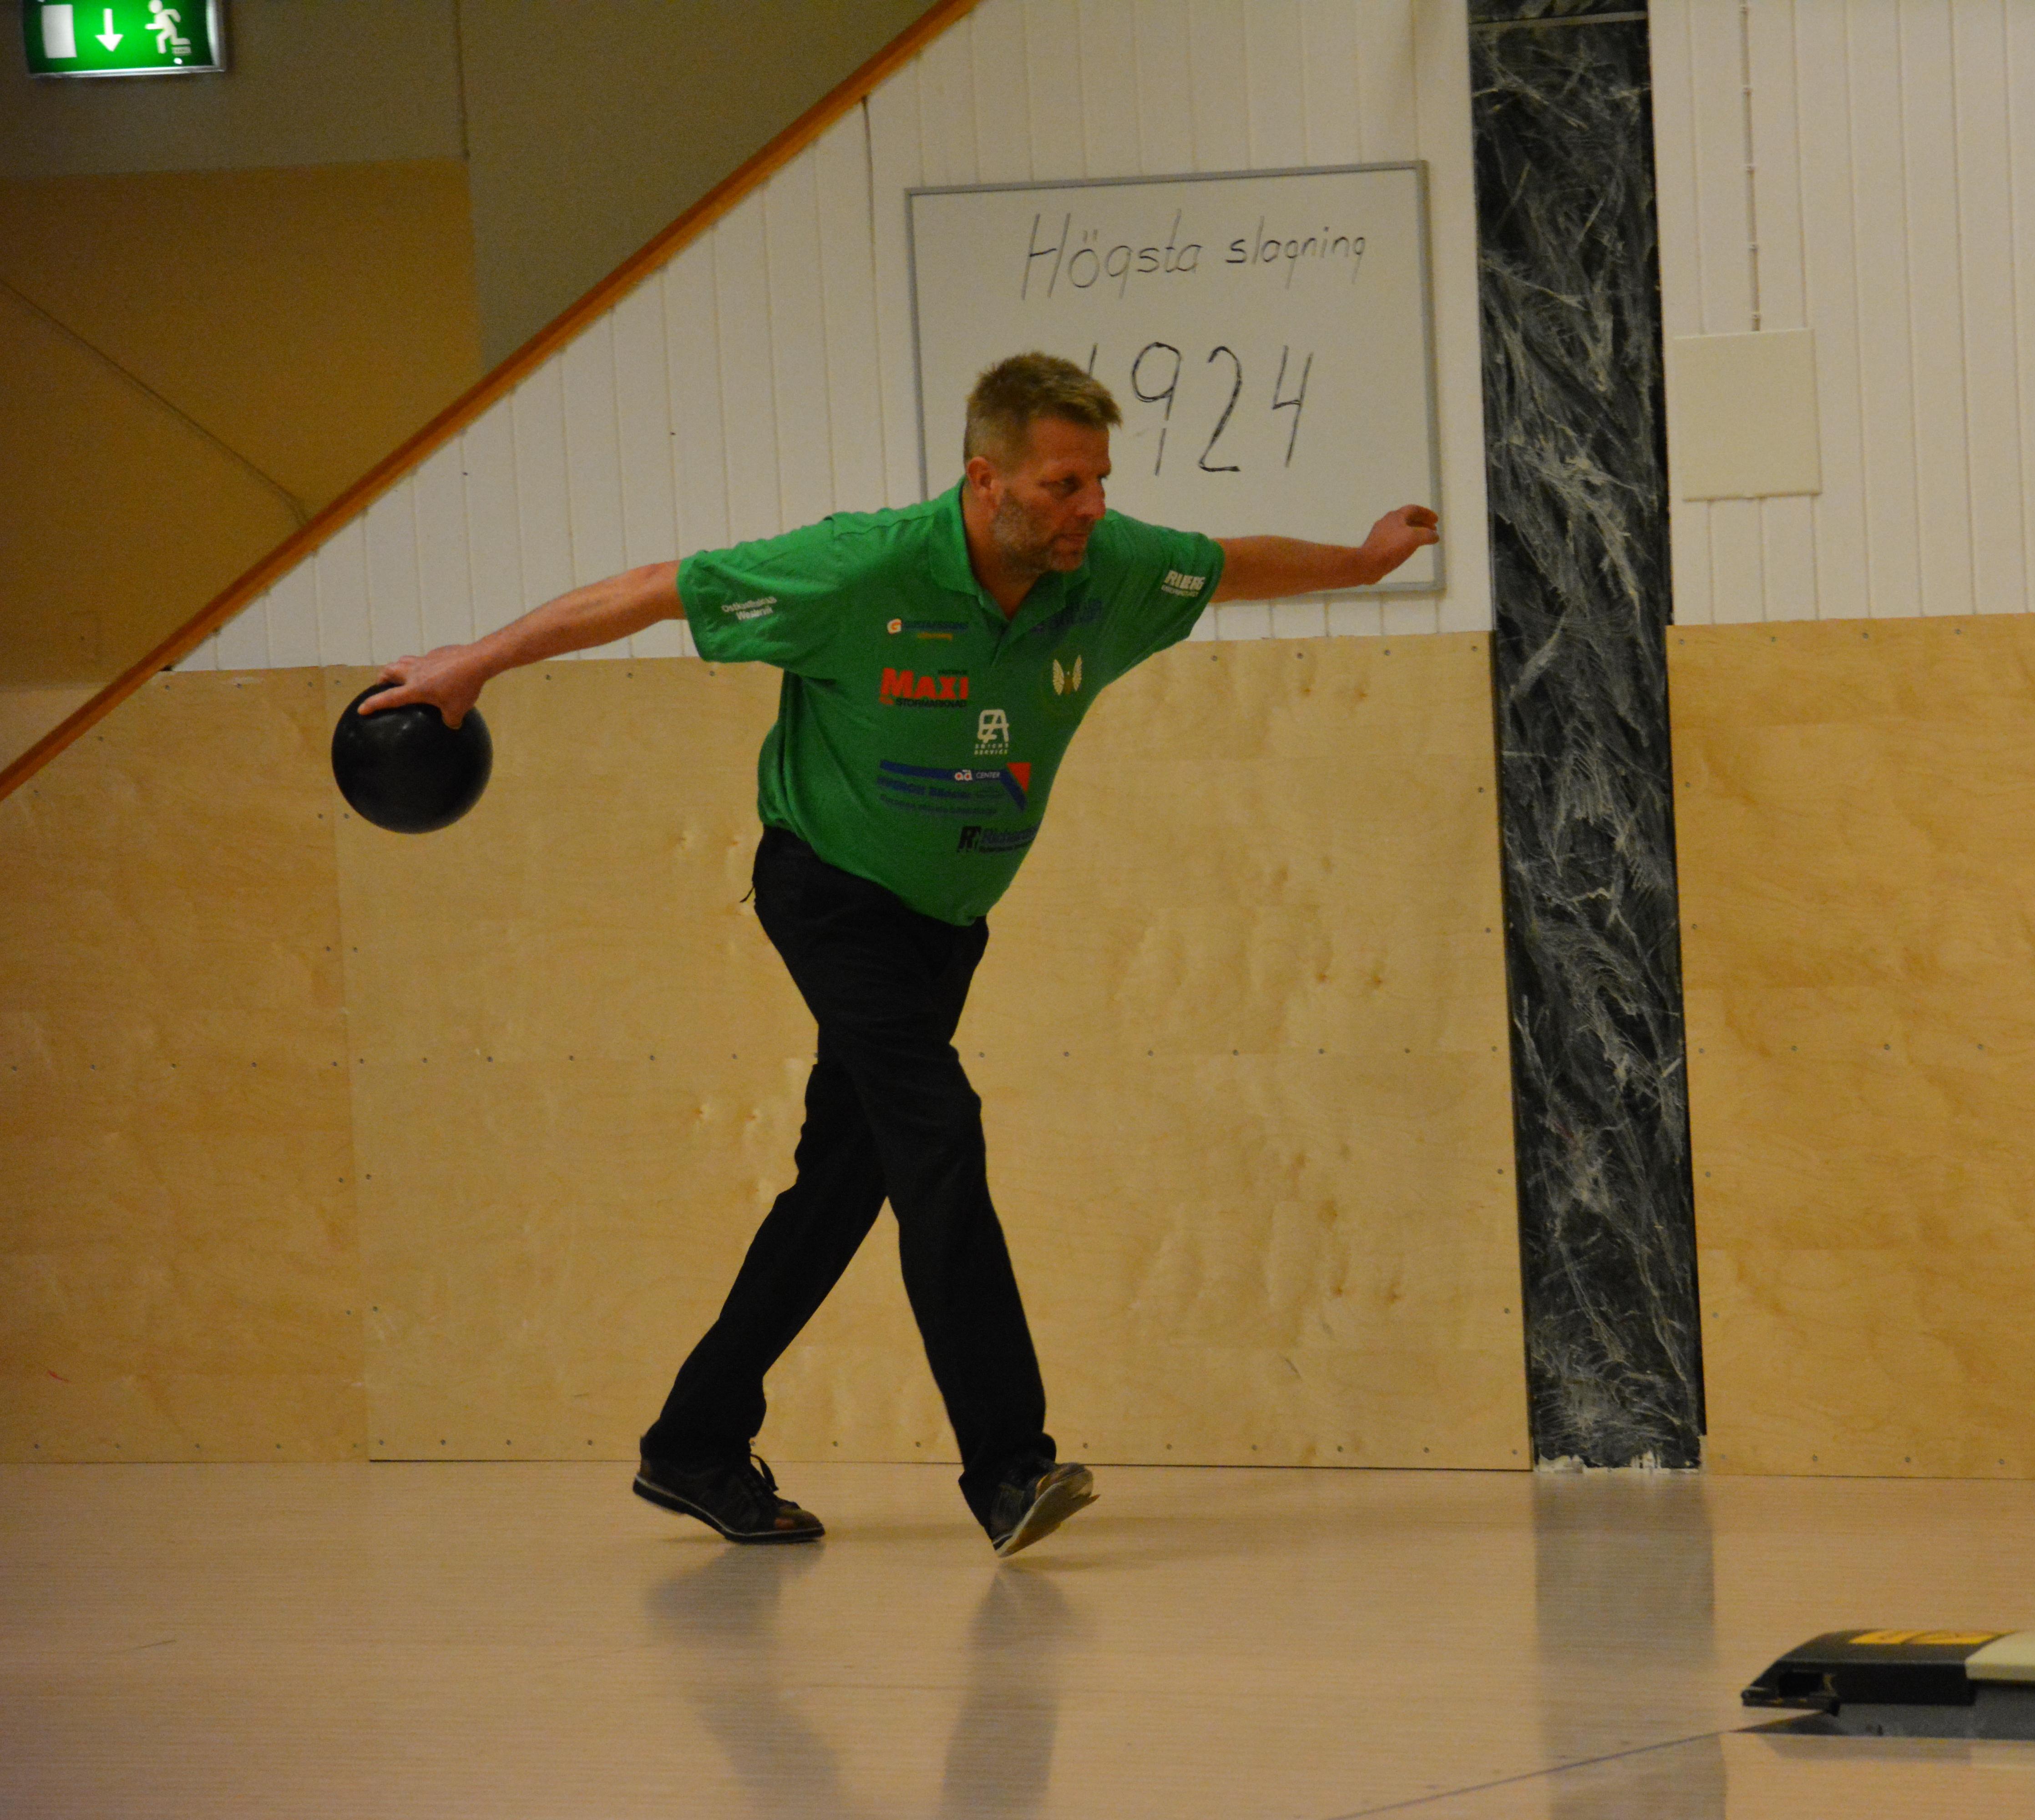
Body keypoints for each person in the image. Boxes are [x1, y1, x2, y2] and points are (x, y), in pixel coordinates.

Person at [362, 353, 1440, 1556]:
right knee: (937, 1131)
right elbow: (661, 589)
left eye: (1100, 481)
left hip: (946, 924)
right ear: (986, 481)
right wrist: (475, 662)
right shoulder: (862, 568)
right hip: (832, 895)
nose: (1091, 507)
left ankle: (694, 1443)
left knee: (844, 1183)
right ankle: (1009, 1468)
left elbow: (1230, 565)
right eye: (1063, 484)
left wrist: (1362, 563)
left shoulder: (1106, 569)